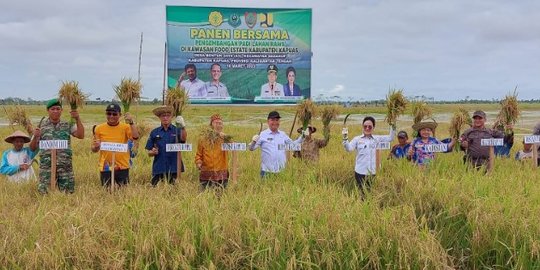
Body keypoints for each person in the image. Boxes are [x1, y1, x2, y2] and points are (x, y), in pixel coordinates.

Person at [30, 98, 85, 194]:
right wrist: (35, 136)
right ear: (48, 110)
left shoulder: (67, 124)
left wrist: (77, 118)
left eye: (58, 109)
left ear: (61, 110)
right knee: (45, 194)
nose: (55, 111)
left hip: (65, 167)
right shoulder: (41, 126)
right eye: (53, 109)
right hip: (46, 167)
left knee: (67, 194)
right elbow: (32, 148)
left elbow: (80, 135)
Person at [342, 116, 395, 197]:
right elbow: (349, 149)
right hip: (360, 172)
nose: (367, 128)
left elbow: (390, 138)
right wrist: (345, 139)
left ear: (373, 127)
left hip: (374, 172)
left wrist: (393, 123)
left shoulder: (377, 139)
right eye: (365, 126)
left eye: (370, 126)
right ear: (362, 126)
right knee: (362, 194)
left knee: (373, 193)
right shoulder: (357, 139)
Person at [91, 103, 139, 187]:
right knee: (107, 192)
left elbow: (135, 137)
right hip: (106, 167)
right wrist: (96, 146)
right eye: (109, 114)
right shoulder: (99, 128)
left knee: (123, 193)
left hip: (122, 166)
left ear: (120, 115)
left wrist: (131, 122)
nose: (111, 116)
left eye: (114, 114)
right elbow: (94, 149)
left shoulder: (126, 127)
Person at [249, 111, 305, 177]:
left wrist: (303, 136)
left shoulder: (283, 134)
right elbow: (251, 148)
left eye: (277, 120)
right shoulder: (262, 134)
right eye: (272, 120)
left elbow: (293, 145)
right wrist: (254, 141)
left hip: (281, 172)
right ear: (268, 121)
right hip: (266, 172)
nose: (275, 122)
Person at [145, 106, 187, 186]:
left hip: (174, 167)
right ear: (159, 117)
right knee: (155, 191)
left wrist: (183, 127)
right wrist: (153, 152)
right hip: (159, 167)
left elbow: (183, 139)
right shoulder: (154, 132)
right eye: (163, 116)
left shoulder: (177, 130)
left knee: (174, 191)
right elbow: (149, 152)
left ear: (171, 117)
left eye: (168, 115)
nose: (165, 118)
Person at [195, 114, 230, 190]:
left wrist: (227, 138)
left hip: (221, 174)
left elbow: (234, 147)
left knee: (221, 196)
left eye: (220, 123)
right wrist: (198, 162)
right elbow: (198, 155)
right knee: (204, 196)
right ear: (211, 125)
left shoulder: (224, 138)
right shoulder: (203, 139)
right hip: (206, 174)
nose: (218, 125)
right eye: (216, 123)